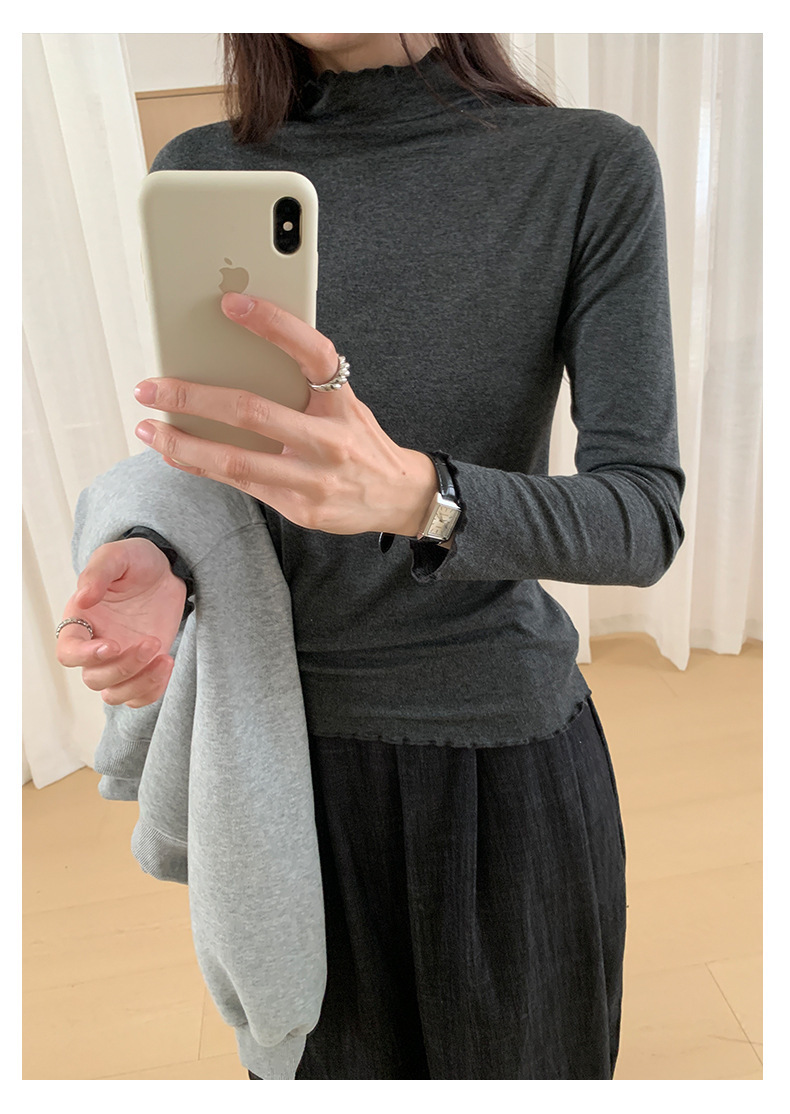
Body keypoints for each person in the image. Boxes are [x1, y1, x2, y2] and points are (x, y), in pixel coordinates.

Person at [55, 33, 685, 1079]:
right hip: (276, 773)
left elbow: (641, 519)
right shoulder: (204, 171)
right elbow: (224, 463)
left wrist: (419, 496)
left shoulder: (584, 165)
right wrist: (160, 554)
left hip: (497, 763)